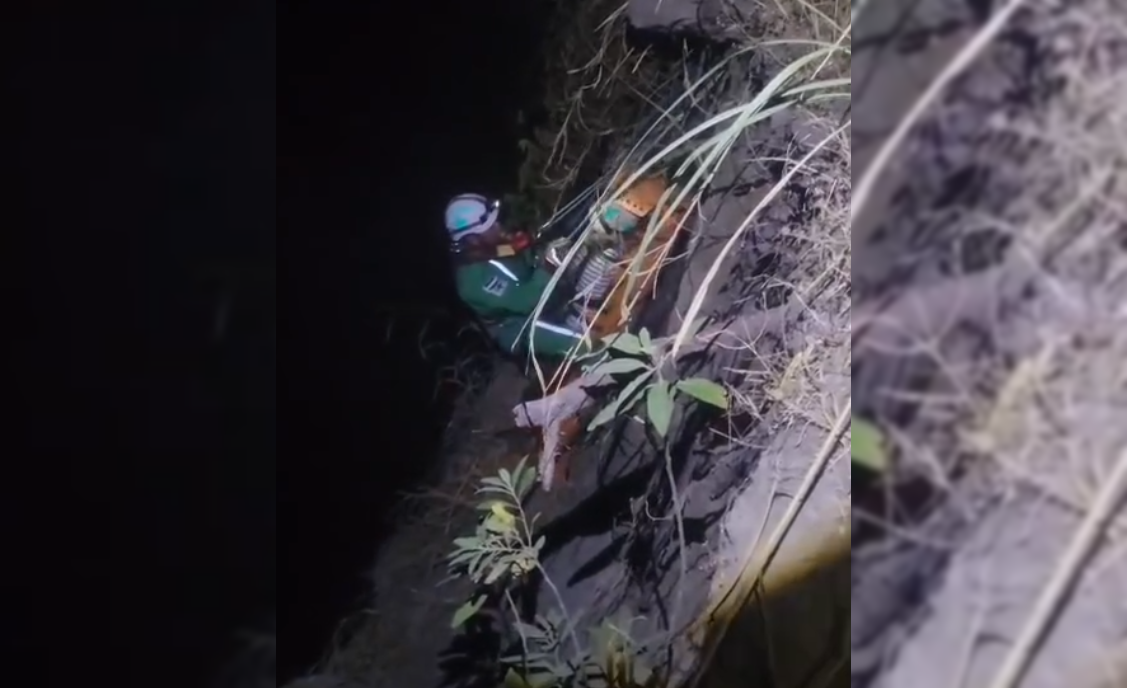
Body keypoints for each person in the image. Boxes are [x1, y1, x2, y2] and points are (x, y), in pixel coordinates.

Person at [445, 193, 589, 361]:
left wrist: (536, 245)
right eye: (490, 226)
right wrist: (548, 265)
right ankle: (596, 353)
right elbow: (528, 301)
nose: (498, 226)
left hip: (535, 292)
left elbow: (523, 254)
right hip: (515, 323)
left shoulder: (487, 248)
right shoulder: (473, 281)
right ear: (472, 239)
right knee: (582, 343)